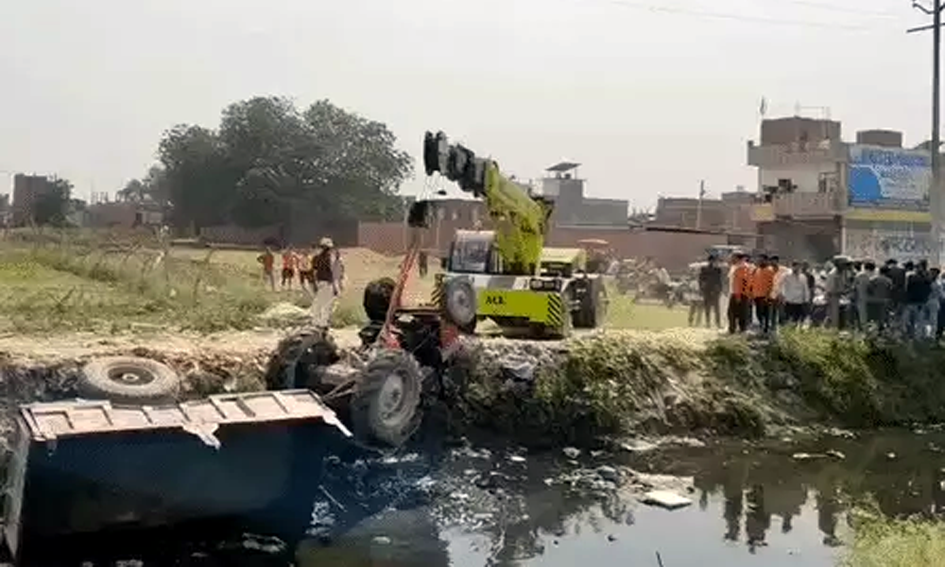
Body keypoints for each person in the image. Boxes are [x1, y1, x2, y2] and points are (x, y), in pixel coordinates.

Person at [311, 237, 344, 327]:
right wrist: (335, 287)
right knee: (327, 304)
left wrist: (315, 284)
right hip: (327, 283)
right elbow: (332, 273)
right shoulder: (329, 258)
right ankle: (323, 323)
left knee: (318, 303)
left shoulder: (316, 258)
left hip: (320, 282)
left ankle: (316, 322)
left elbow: (314, 272)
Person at [778, 261, 810, 326]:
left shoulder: (803, 277)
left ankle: (793, 329)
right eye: (795, 267)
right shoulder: (786, 276)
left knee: (796, 319)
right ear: (792, 267)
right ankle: (788, 329)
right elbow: (781, 285)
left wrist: (806, 300)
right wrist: (782, 295)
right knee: (788, 318)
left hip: (799, 301)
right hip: (789, 301)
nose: (796, 268)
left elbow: (805, 289)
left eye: (798, 267)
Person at [728, 253, 753, 333]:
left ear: (738, 258)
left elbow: (743, 283)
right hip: (735, 292)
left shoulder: (743, 267)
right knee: (732, 313)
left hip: (740, 294)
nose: (731, 259)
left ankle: (741, 329)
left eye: (733, 257)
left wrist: (738, 295)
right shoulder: (735, 267)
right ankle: (733, 328)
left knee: (740, 313)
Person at [751, 255, 775, 334]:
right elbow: (753, 282)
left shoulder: (769, 270)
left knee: (765, 313)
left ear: (766, 261)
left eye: (761, 260)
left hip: (765, 296)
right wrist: (752, 295)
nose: (759, 261)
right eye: (759, 260)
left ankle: (766, 329)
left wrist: (767, 296)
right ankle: (762, 326)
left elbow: (771, 284)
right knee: (758, 313)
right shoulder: (756, 270)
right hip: (756, 295)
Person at [699, 254, 724, 328]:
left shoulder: (718, 270)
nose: (713, 262)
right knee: (707, 307)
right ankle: (708, 322)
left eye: (714, 261)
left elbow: (719, 280)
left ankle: (718, 323)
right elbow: (701, 279)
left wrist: (720, 289)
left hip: (715, 290)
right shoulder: (704, 269)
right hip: (707, 290)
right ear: (709, 261)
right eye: (712, 260)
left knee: (716, 308)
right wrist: (701, 288)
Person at [866, 265, 894, 332]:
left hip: (873, 300)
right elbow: (890, 291)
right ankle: (880, 330)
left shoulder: (873, 279)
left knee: (873, 317)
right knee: (882, 317)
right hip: (884, 301)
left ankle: (871, 331)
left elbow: (869, 289)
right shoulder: (889, 281)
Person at [853, 261, 874, 331]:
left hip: (859, 298)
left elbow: (854, 287)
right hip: (867, 298)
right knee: (865, 315)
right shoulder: (869, 277)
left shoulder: (858, 275)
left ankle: (861, 328)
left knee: (861, 315)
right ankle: (866, 329)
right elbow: (870, 288)